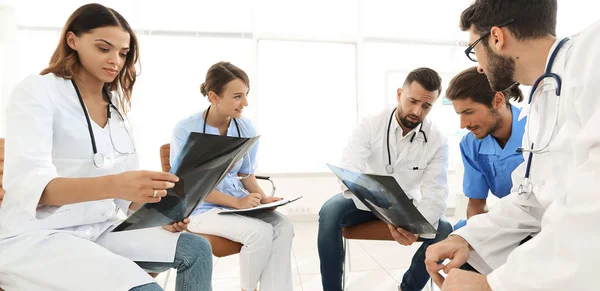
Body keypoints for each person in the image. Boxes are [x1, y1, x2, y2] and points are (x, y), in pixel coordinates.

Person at [0, 4, 213, 291]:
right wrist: (116, 185)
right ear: (72, 40)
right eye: (104, 48)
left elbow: (127, 199)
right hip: (39, 236)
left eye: (123, 53)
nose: (116, 60)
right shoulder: (36, 91)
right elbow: (33, 190)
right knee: (146, 289)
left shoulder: (116, 107)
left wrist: (165, 213)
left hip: (100, 229)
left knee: (197, 250)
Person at [425, 1, 600, 290]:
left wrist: (494, 285)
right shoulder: (542, 100)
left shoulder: (591, 55)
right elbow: (529, 199)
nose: (479, 66)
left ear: (496, 37)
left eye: (474, 50)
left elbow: (593, 207)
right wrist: (465, 238)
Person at [317, 67, 453, 291]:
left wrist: (415, 227)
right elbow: (351, 170)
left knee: (445, 229)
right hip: (365, 199)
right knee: (330, 211)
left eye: (426, 106)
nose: (417, 111)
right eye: (412, 101)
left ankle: (407, 288)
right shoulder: (370, 124)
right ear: (399, 94)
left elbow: (436, 193)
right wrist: (386, 213)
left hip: (407, 205)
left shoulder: (438, 141)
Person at [170, 61, 295, 291]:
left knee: (284, 226)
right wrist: (236, 202)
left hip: (235, 205)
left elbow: (246, 175)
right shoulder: (185, 130)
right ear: (214, 96)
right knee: (259, 233)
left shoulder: (245, 128)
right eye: (237, 96)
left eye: (246, 95)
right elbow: (189, 186)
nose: (245, 103)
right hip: (198, 208)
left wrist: (262, 198)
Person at [445, 66, 525, 230]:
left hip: (545, 221)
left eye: (469, 112)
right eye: (459, 114)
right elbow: (476, 205)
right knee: (458, 233)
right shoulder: (471, 144)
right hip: (507, 221)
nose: (463, 124)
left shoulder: (537, 129)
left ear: (498, 100)